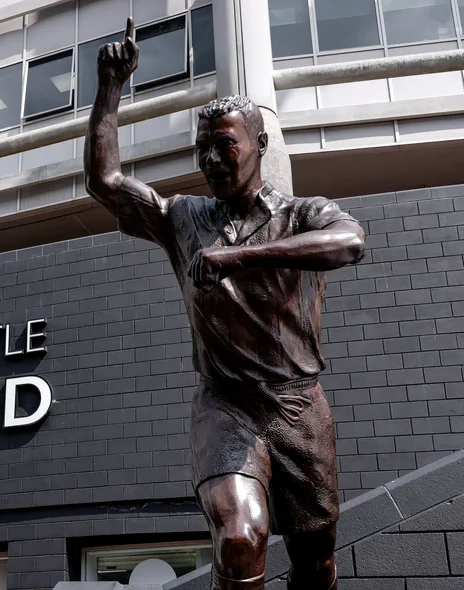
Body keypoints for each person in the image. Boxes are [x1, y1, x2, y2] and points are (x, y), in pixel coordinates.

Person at [84, 18, 366, 590]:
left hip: (297, 405)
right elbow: (105, 179)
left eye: (224, 146)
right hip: (226, 406)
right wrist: (110, 90)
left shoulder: (304, 214)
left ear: (258, 145)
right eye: (202, 149)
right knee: (239, 540)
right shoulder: (183, 218)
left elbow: (350, 242)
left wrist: (239, 259)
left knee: (316, 562)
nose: (210, 159)